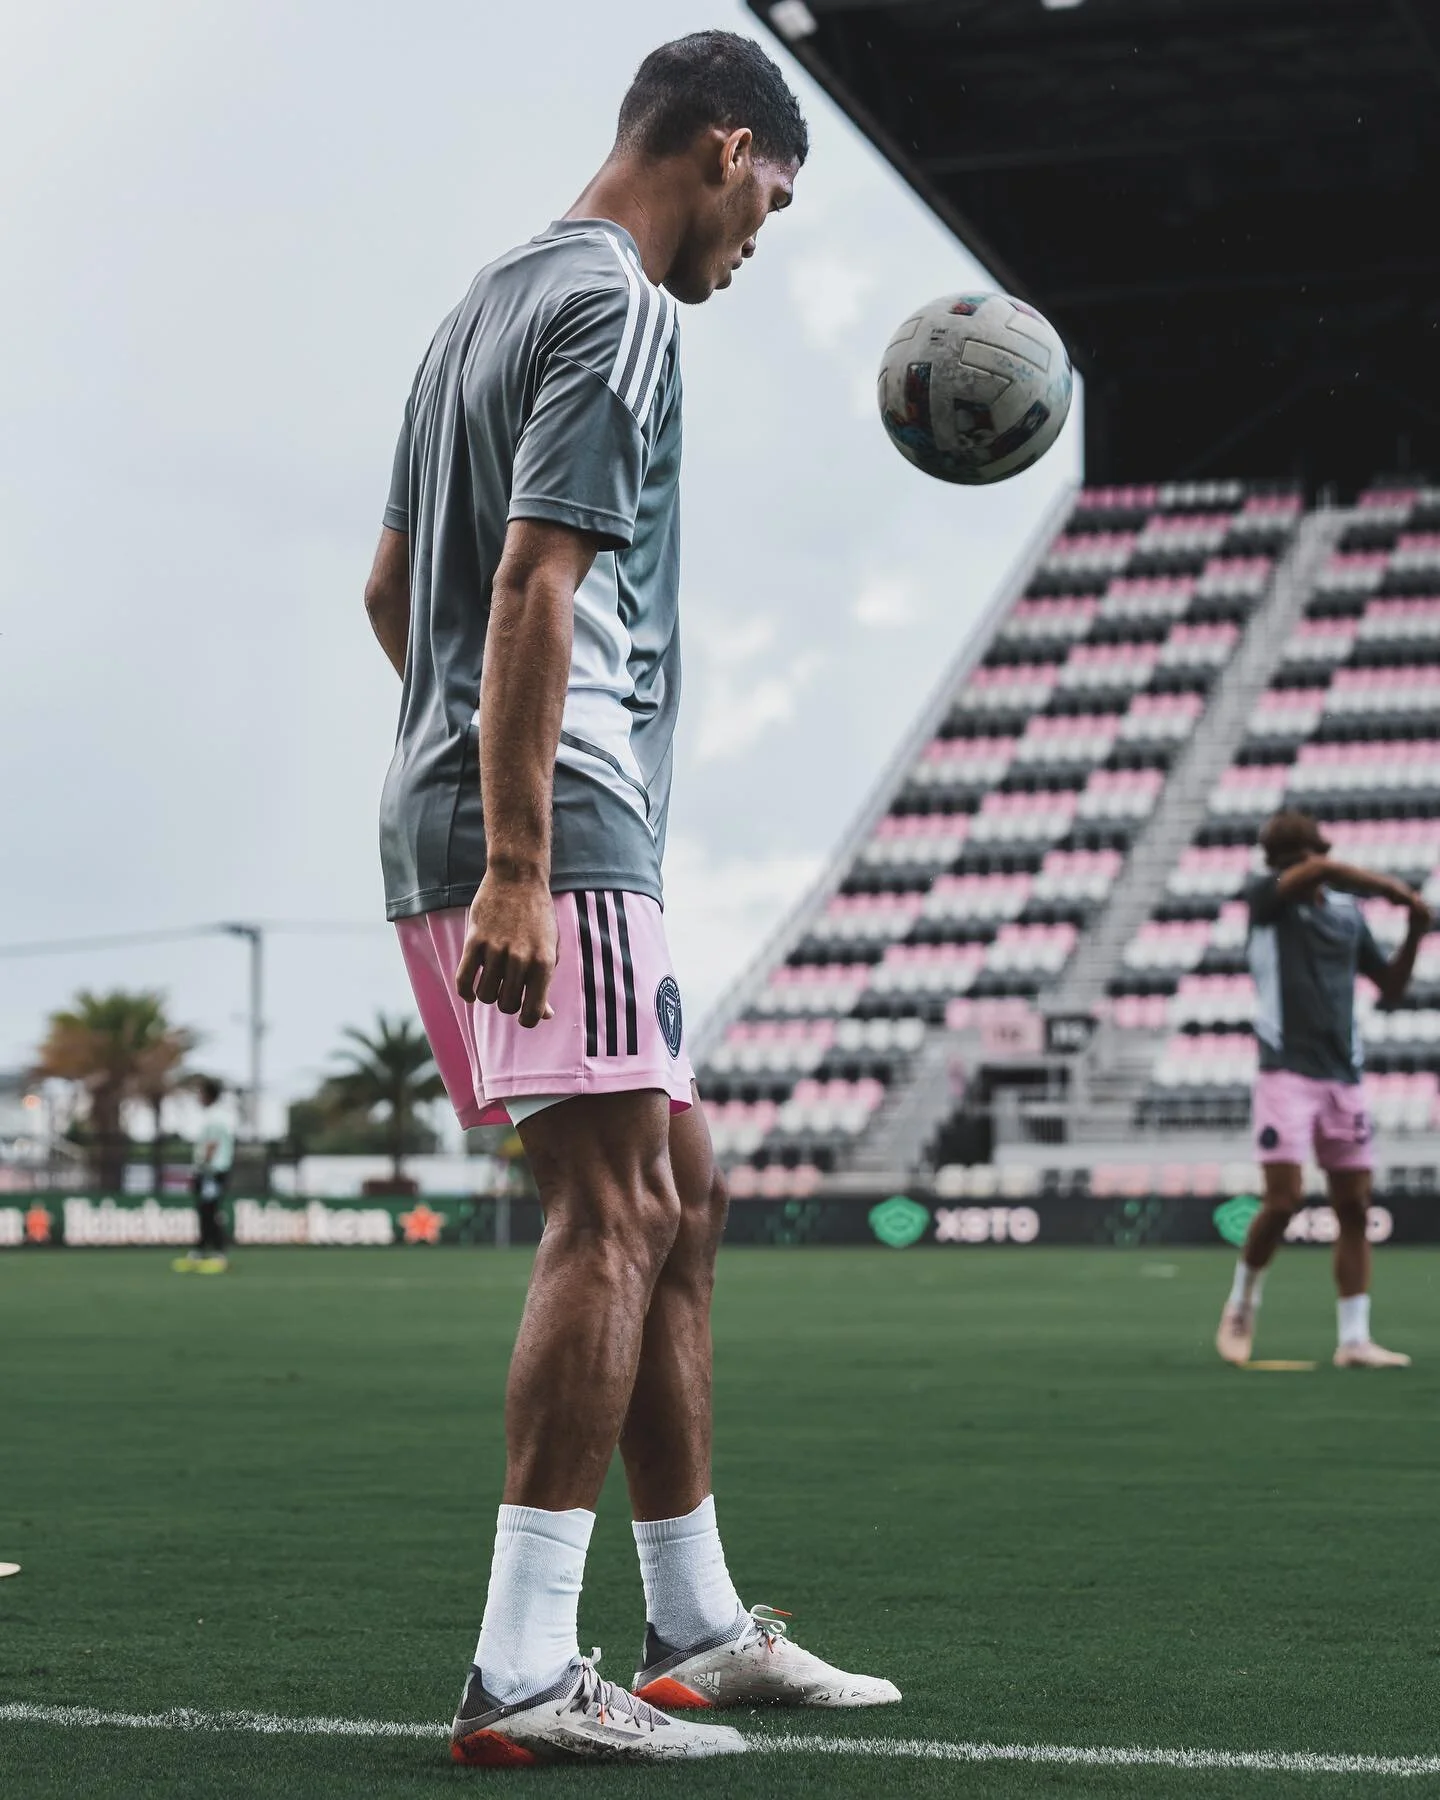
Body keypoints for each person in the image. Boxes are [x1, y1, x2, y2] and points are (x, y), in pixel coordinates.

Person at [363, 32, 899, 1768]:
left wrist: (462, 760)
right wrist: (518, 847)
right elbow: (530, 577)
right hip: (554, 826)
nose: (760, 240)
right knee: (610, 1212)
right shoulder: (623, 310)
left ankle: (695, 1625)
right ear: (724, 149)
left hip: (492, 803)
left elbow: (395, 587)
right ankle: (522, 1668)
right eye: (771, 204)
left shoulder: (479, 305)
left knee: (682, 1186)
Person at [1216, 809, 1431, 1369]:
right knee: (1283, 1200)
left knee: (1355, 1206)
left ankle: (1354, 1338)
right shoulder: (1266, 898)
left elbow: (1389, 988)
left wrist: (1413, 928)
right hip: (1285, 1070)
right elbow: (1312, 876)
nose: (1303, 868)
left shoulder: (1346, 916)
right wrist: (1395, 890)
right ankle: (1242, 1301)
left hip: (1343, 1075)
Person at [174, 1076, 233, 1275]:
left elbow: (212, 1145)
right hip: (210, 1172)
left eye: (200, 1093)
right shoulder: (213, 1116)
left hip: (212, 1172)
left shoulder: (215, 1118)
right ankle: (199, 1253)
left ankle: (219, 1255)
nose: (198, 1098)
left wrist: (201, 1166)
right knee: (204, 1212)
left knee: (210, 1212)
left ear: (208, 1095)